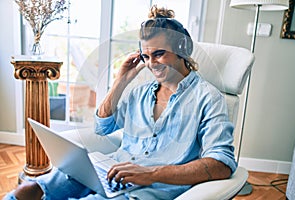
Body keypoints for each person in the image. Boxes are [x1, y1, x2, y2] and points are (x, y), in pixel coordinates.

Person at [5, 5, 237, 200]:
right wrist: (120, 81)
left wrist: (152, 173)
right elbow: (102, 127)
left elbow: (221, 164)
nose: (152, 63)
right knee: (32, 189)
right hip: (111, 172)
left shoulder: (208, 98)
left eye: (159, 54)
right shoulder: (141, 94)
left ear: (182, 49)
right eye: (146, 56)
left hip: (149, 189)